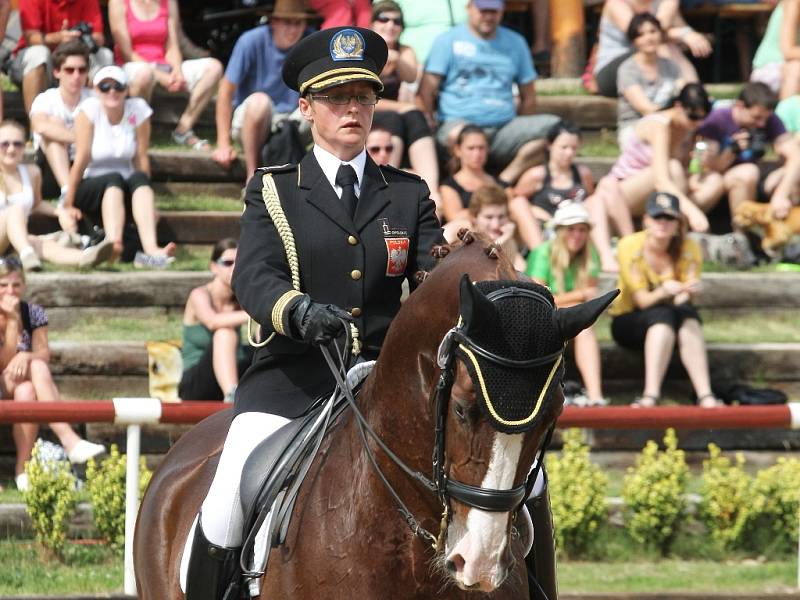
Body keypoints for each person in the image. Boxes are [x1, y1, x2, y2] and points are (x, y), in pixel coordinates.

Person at [180, 26, 446, 599]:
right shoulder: (273, 190)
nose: (351, 107)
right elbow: (253, 276)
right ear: (306, 108)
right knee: (228, 497)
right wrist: (298, 312)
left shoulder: (408, 194)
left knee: (525, 486)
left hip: (387, 384)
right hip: (291, 381)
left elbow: (430, 282)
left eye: (362, 96)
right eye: (335, 96)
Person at [417, 0, 560, 185]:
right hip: (458, 123)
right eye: (483, 10)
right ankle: (459, 186)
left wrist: (519, 121)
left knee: (557, 129)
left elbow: (529, 95)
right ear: (469, 8)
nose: (489, 16)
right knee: (462, 135)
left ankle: (504, 180)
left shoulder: (516, 42)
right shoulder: (447, 41)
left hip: (503, 127)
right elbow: (426, 90)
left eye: (494, 11)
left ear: (502, 12)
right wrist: (429, 121)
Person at [0, 256, 107, 491]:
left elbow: (43, 354)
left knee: (29, 386)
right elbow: (5, 361)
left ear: (24, 285)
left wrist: (26, 356)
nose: (11, 291)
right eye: (4, 285)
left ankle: (23, 470)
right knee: (30, 373)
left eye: (16, 285)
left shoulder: (34, 313)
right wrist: (12, 321)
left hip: (20, 386)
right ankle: (70, 442)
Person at [609, 192, 720, 408]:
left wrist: (687, 292)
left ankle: (705, 394)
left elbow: (682, 301)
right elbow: (642, 301)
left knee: (687, 315)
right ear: (646, 220)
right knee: (663, 316)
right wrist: (664, 291)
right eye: (657, 217)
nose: (663, 223)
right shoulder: (629, 245)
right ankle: (651, 394)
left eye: (669, 218)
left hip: (670, 316)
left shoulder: (690, 248)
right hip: (627, 320)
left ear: (678, 223)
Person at [64, 65, 176, 268]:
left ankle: (151, 249)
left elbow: (141, 156)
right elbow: (81, 158)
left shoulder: (138, 109)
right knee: (113, 178)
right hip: (92, 183)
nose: (112, 91)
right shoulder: (88, 110)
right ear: (96, 90)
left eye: (118, 86)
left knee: (139, 178)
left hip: (124, 185)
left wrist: (151, 204)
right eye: (105, 86)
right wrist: (69, 202)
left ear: (127, 89)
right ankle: (113, 244)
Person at [591, 83, 713, 241]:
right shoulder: (658, 125)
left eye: (703, 118)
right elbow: (661, 180)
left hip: (662, 190)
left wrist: (699, 169)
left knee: (713, 181)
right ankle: (678, 231)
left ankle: (677, 233)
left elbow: (684, 172)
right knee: (673, 168)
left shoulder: (686, 129)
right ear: (678, 106)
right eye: (694, 117)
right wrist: (692, 211)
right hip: (624, 190)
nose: (698, 123)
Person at [212, 0, 315, 179]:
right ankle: (252, 176)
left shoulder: (311, 42)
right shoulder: (250, 41)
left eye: (298, 23)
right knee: (260, 101)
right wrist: (223, 143)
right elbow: (225, 92)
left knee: (323, 103)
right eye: (287, 22)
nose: (293, 29)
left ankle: (322, 179)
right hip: (252, 121)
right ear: (273, 21)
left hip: (292, 121)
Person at [108, 0, 224, 151]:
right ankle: (138, 133)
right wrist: (160, 76)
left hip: (164, 65)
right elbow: (127, 53)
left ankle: (183, 129)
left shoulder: (168, 2)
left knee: (214, 67)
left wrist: (177, 71)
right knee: (144, 73)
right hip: (133, 67)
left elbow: (172, 45)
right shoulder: (118, 2)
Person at [0, 120, 114, 272]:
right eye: (4, 144)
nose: (11, 149)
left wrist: (60, 212)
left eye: (17, 144)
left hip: (16, 239)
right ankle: (26, 254)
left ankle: (86, 257)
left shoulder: (32, 172)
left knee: (42, 245)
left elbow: (36, 204)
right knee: (14, 211)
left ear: (24, 147)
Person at [508, 120, 617, 271]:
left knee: (596, 200)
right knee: (518, 203)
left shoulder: (582, 173)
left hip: (577, 231)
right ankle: (542, 257)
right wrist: (535, 210)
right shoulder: (536, 175)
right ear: (550, 145)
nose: (569, 153)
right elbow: (512, 200)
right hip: (549, 231)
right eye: (564, 147)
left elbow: (590, 200)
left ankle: (605, 257)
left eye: (573, 148)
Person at [527, 202, 607, 406]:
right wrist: (578, 294)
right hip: (543, 320)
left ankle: (596, 396)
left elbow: (590, 300)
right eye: (571, 229)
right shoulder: (543, 252)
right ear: (559, 231)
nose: (577, 235)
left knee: (586, 329)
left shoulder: (591, 254)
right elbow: (538, 298)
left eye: (582, 229)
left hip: (571, 321)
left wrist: (577, 298)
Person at [694, 82, 800, 225]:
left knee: (790, 176)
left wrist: (781, 194)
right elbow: (705, 166)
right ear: (740, 106)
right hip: (722, 177)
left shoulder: (770, 120)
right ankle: (743, 236)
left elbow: (795, 155)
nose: (762, 124)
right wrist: (731, 151)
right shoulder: (717, 120)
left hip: (758, 175)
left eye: (765, 118)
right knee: (747, 173)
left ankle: (786, 238)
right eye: (756, 117)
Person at [369, 1, 441, 209]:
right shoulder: (364, 48)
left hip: (394, 113)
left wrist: (396, 57)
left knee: (414, 116)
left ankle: (432, 188)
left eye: (396, 21)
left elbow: (410, 77)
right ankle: (387, 185)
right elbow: (361, 96)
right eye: (383, 19)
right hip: (367, 110)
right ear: (373, 23)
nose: (390, 25)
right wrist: (381, 57)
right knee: (400, 115)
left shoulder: (404, 50)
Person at [179, 239, 253, 403]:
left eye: (239, 262)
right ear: (213, 267)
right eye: (227, 263)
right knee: (225, 332)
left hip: (233, 371)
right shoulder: (199, 295)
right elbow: (213, 321)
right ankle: (231, 395)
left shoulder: (241, 299)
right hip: (196, 384)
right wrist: (253, 314)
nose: (234, 268)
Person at [10, 0, 113, 114]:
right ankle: (36, 123)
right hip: (38, 66)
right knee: (39, 54)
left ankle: (97, 119)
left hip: (76, 60)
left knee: (104, 55)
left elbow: (99, 38)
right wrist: (57, 38)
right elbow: (31, 37)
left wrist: (78, 38)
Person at [592, 0, 709, 98]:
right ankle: (693, 96)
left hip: (651, 72)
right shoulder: (616, 3)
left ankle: (695, 95)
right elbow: (642, 35)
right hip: (612, 72)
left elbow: (663, 28)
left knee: (664, 47)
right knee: (659, 46)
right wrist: (683, 34)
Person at [29, 39, 92, 202]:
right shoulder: (46, 99)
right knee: (54, 124)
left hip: (87, 164)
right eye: (70, 70)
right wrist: (81, 137)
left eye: (82, 70)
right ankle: (67, 191)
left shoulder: (94, 99)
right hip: (51, 167)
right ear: (57, 72)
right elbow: (40, 126)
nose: (76, 76)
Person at [616, 13, 683, 146]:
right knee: (659, 127)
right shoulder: (627, 69)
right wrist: (679, 112)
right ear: (633, 40)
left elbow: (684, 93)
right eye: (641, 34)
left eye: (653, 31)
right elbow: (647, 110)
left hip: (668, 124)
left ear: (660, 34)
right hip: (635, 128)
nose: (649, 38)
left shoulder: (671, 66)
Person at [443, 184, 526, 270]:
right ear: (474, 217)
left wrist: (504, 240)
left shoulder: (507, 238)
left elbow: (522, 272)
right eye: (489, 217)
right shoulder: (458, 230)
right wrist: (502, 240)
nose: (496, 225)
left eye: (501, 217)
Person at [439, 125, 501, 223]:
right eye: (471, 148)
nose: (477, 154)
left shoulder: (499, 183)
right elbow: (454, 218)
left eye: (481, 148)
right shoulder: (449, 186)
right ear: (458, 150)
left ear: (487, 149)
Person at [751, 0, 800, 100]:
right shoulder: (794, 2)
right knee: (796, 68)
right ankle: (785, 114)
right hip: (772, 68)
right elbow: (787, 51)